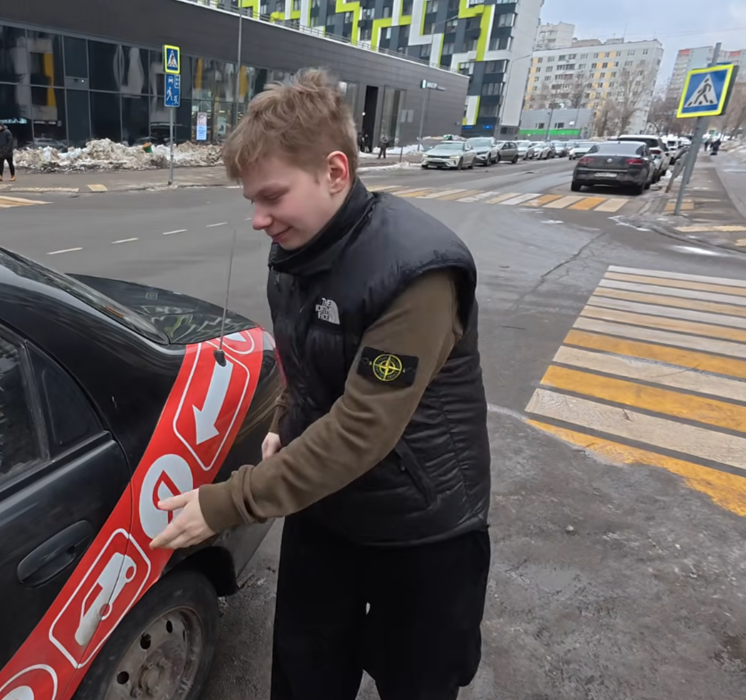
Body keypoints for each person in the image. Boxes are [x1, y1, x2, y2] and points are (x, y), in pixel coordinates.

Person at [149, 69, 491, 700]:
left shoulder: (417, 273)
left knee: (417, 684)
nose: (259, 219)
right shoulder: (296, 251)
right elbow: (304, 363)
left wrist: (228, 502)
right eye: (252, 201)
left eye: (272, 197)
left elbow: (364, 428)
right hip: (326, 514)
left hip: (420, 532)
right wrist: (286, 420)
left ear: (335, 172)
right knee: (304, 677)